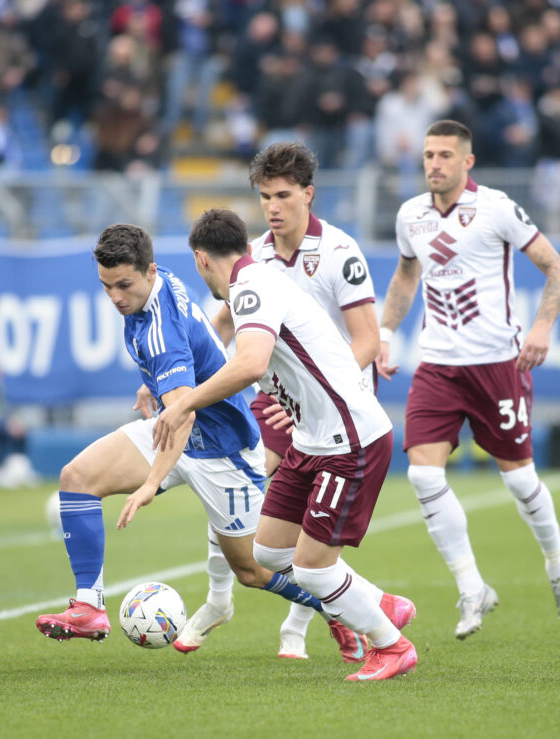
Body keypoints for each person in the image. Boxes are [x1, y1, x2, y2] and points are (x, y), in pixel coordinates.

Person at [35, 224, 369, 664]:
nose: (115, 296)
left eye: (124, 285)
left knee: (252, 569)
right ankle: (89, 606)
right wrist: (151, 385)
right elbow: (183, 377)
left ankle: (338, 609)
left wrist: (150, 484)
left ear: (149, 271)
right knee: (76, 477)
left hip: (223, 449)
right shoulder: (161, 283)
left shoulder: (161, 332)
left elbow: (184, 415)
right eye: (107, 286)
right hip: (175, 430)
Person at [151, 209, 417, 682]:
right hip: (313, 439)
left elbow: (250, 364)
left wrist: (181, 405)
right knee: (269, 553)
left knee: (314, 572)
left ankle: (391, 646)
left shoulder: (252, 287)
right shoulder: (256, 278)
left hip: (348, 441)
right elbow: (235, 355)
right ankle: (380, 603)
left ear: (200, 260)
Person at [377, 119, 560, 639]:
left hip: (498, 365)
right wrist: (383, 331)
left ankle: (558, 568)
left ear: (467, 162)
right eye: (428, 155)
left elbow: (557, 270)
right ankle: (472, 588)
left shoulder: (496, 208)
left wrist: (540, 327)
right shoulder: (411, 216)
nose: (434, 164)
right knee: (424, 476)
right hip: (438, 366)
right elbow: (406, 275)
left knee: (518, 479)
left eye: (445, 155)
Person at [206, 141, 386, 661]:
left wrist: (317, 394)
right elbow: (220, 324)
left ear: (309, 194)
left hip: (335, 405)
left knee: (302, 533)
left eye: (283, 195)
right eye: (264, 197)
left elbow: (367, 340)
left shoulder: (339, 253)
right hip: (284, 399)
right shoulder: (256, 256)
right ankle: (339, 611)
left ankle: (319, 618)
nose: (273, 207)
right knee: (271, 530)